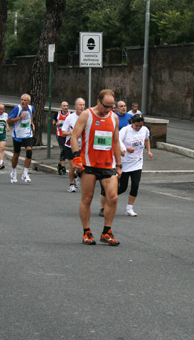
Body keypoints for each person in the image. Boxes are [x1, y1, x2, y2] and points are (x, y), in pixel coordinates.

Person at [70, 89, 123, 246]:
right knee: (87, 198)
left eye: (111, 106)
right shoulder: (87, 115)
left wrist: (119, 164)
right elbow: (74, 136)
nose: (108, 109)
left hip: (107, 164)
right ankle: (87, 232)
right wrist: (76, 157)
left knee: (113, 198)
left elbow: (115, 141)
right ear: (98, 102)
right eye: (106, 106)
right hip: (89, 164)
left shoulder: (114, 118)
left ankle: (106, 232)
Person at [118, 114, 153, 216]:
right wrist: (126, 149)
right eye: (136, 125)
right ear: (132, 122)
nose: (138, 128)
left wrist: (149, 151)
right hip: (125, 162)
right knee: (123, 187)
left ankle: (129, 208)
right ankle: (109, 197)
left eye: (140, 126)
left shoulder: (145, 130)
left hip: (137, 162)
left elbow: (146, 139)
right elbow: (117, 141)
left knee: (135, 185)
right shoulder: (125, 130)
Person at [7, 94, 35, 184]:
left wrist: (31, 123)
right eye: (22, 100)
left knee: (29, 151)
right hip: (17, 135)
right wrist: (19, 117)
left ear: (28, 102)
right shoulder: (17, 109)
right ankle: (13, 172)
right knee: (16, 154)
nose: (23, 102)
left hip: (27, 133)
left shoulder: (31, 108)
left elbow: (31, 115)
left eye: (25, 100)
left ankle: (25, 173)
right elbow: (9, 120)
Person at [61, 97, 85, 192]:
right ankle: (71, 185)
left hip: (82, 146)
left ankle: (75, 176)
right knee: (73, 166)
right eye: (80, 105)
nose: (82, 107)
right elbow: (63, 132)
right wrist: (71, 133)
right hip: (70, 145)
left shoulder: (87, 117)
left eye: (83, 105)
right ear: (75, 106)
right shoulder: (70, 118)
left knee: (81, 167)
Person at [53, 101, 70, 175]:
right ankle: (63, 167)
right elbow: (54, 121)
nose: (65, 107)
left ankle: (60, 165)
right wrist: (56, 124)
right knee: (63, 149)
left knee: (67, 150)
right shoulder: (58, 114)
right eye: (64, 106)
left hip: (67, 135)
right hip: (59, 134)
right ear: (61, 107)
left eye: (67, 106)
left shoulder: (70, 114)